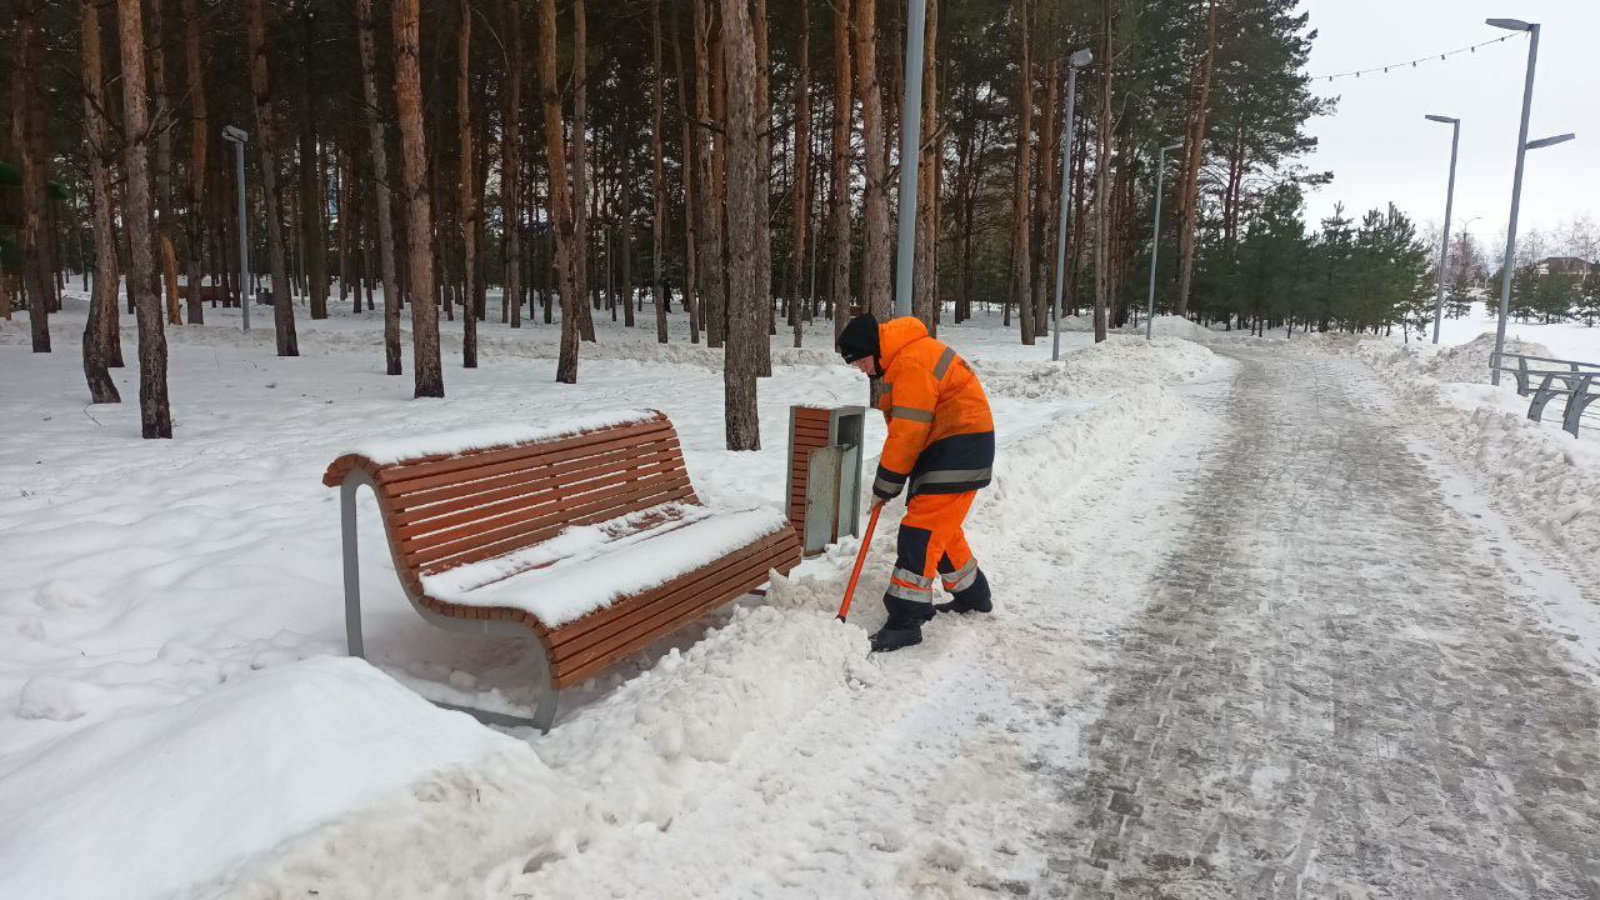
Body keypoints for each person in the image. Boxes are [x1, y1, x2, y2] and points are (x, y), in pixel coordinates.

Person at [836, 312, 995, 652]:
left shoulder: (912, 363)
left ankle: (906, 619)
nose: (863, 369)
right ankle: (972, 594)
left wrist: (887, 483)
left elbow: (908, 433)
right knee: (941, 526)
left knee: (919, 531)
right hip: (956, 445)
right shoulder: (909, 356)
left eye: (861, 361)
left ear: (873, 350)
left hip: (959, 448)